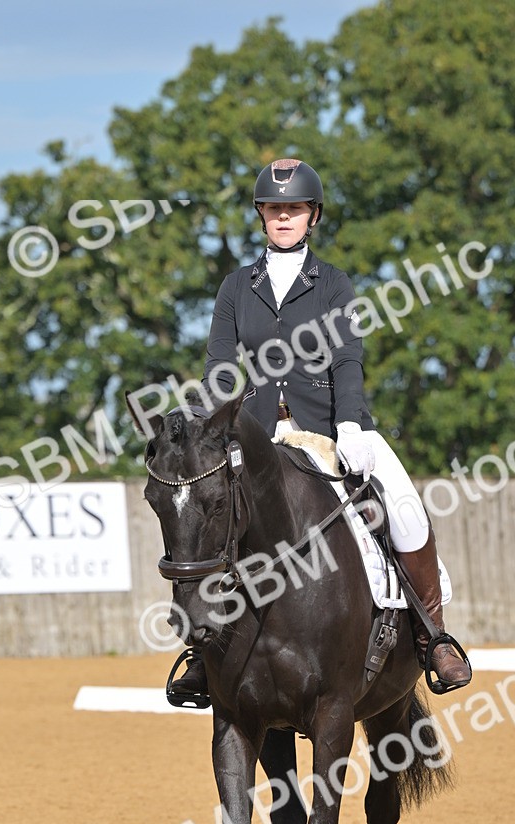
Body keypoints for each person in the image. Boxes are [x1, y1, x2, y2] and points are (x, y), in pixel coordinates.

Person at [168, 157, 471, 701]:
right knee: (212, 517)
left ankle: (433, 636)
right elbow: (219, 366)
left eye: (294, 208)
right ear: (261, 215)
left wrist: (351, 424)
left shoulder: (333, 283)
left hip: (332, 428)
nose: (283, 217)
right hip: (256, 434)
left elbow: (347, 359)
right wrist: (211, 427)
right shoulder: (236, 288)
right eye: (274, 208)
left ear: (312, 216)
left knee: (402, 509)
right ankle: (201, 652)